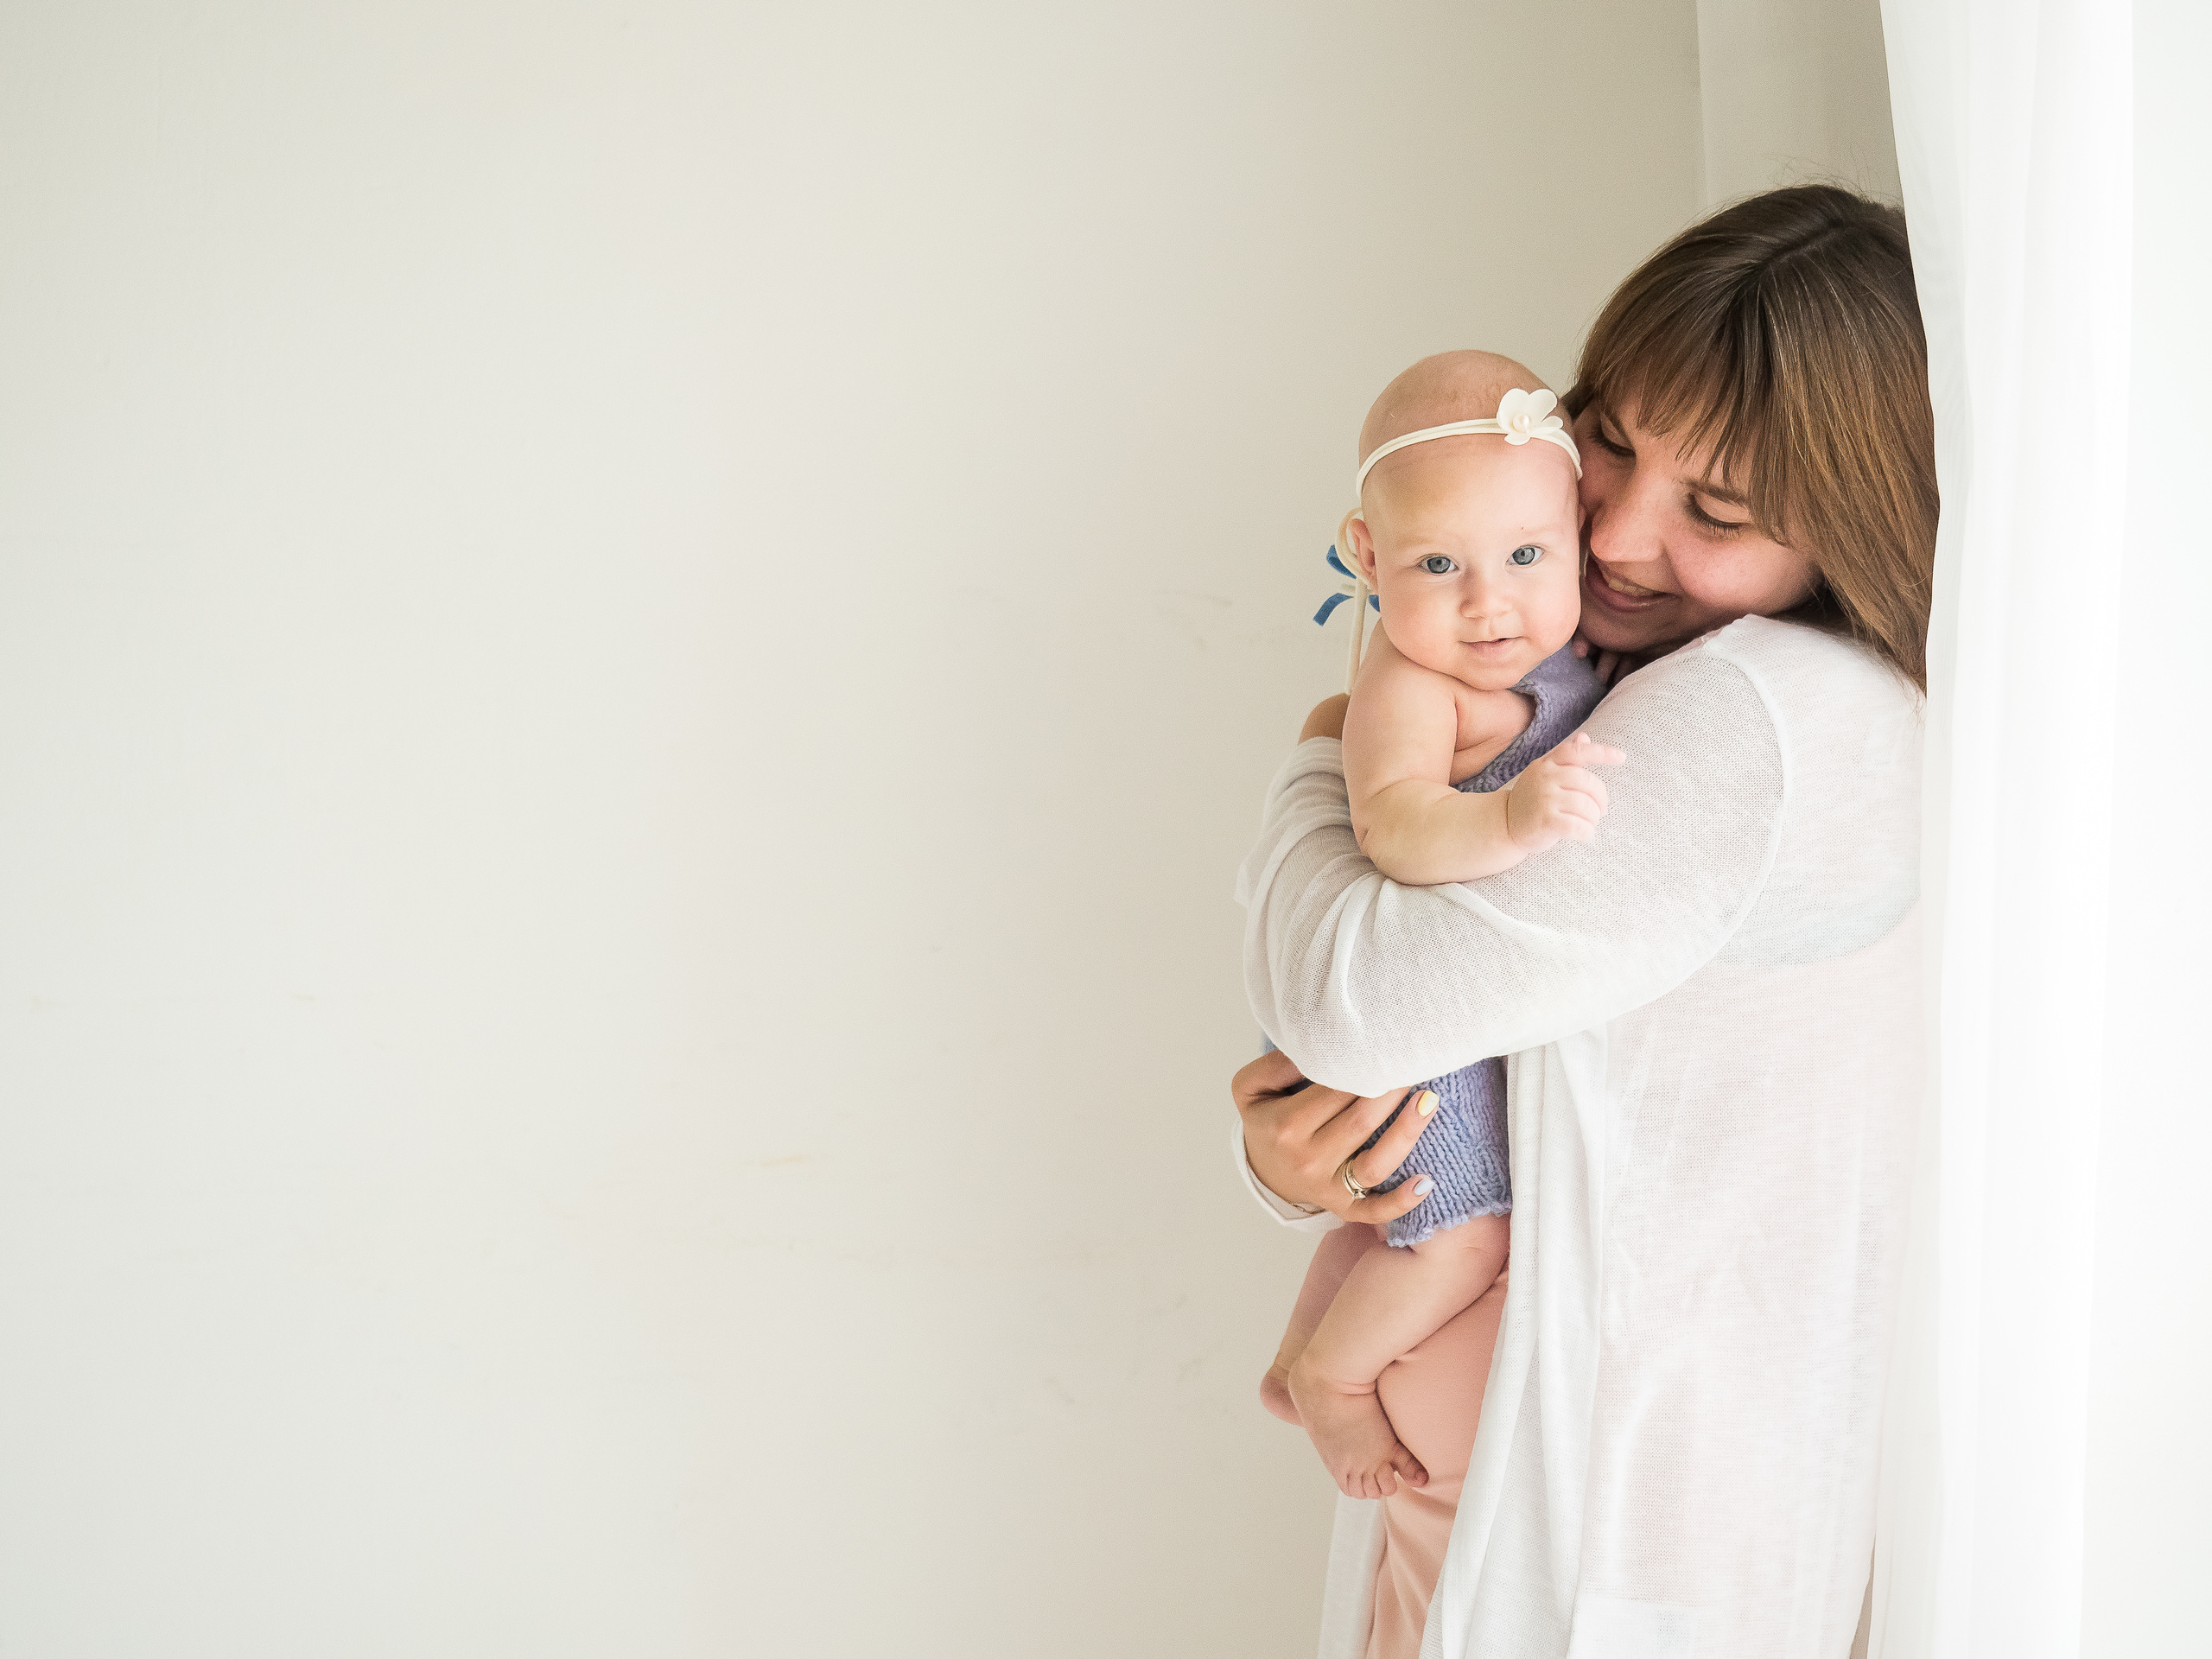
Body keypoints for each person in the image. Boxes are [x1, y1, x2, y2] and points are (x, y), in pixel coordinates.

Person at [1231, 185, 1935, 1659]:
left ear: (1850, 525)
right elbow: (1491, 1033)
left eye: (1718, 511)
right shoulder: (1636, 679)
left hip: (1590, 1521)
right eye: (1607, 439)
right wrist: (1315, 1156)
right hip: (1516, 1472)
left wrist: (1326, 748)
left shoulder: (1760, 716)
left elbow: (1349, 1001)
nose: (1614, 531)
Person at [1257, 350, 1621, 1505]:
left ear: (1576, 532)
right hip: (1429, 1041)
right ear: (1368, 557)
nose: (1487, 603)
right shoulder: (1409, 686)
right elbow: (1399, 827)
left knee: (1391, 1227)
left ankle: (1301, 1343)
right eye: (1436, 564)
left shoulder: (1559, 658)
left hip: (1462, 1018)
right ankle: (1337, 1378)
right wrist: (1510, 815)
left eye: (1525, 556)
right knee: (1464, 1236)